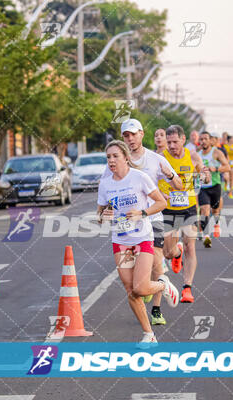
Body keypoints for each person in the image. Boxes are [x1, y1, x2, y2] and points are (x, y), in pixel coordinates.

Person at [97, 140, 179, 346]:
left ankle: (163, 285)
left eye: (115, 156)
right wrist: (103, 215)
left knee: (141, 288)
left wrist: (142, 213)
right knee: (131, 291)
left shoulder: (139, 177)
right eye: (108, 157)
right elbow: (99, 214)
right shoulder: (105, 183)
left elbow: (161, 202)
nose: (111, 161)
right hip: (120, 241)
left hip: (142, 238)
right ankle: (149, 335)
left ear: (125, 157)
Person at [159, 125, 209, 303]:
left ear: (183, 139)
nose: (171, 146)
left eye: (174, 142)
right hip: (167, 208)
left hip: (188, 207)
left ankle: (187, 288)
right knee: (167, 253)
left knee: (190, 245)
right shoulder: (161, 158)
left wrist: (204, 176)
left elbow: (204, 175)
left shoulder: (192, 156)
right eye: (168, 142)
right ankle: (176, 254)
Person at [197, 131, 231, 248]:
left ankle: (216, 222)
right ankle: (207, 236)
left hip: (215, 185)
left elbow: (227, 167)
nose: (203, 141)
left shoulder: (216, 152)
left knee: (215, 210)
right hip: (203, 187)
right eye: (201, 139)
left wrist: (215, 168)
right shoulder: (197, 155)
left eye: (205, 139)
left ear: (210, 140)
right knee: (205, 209)